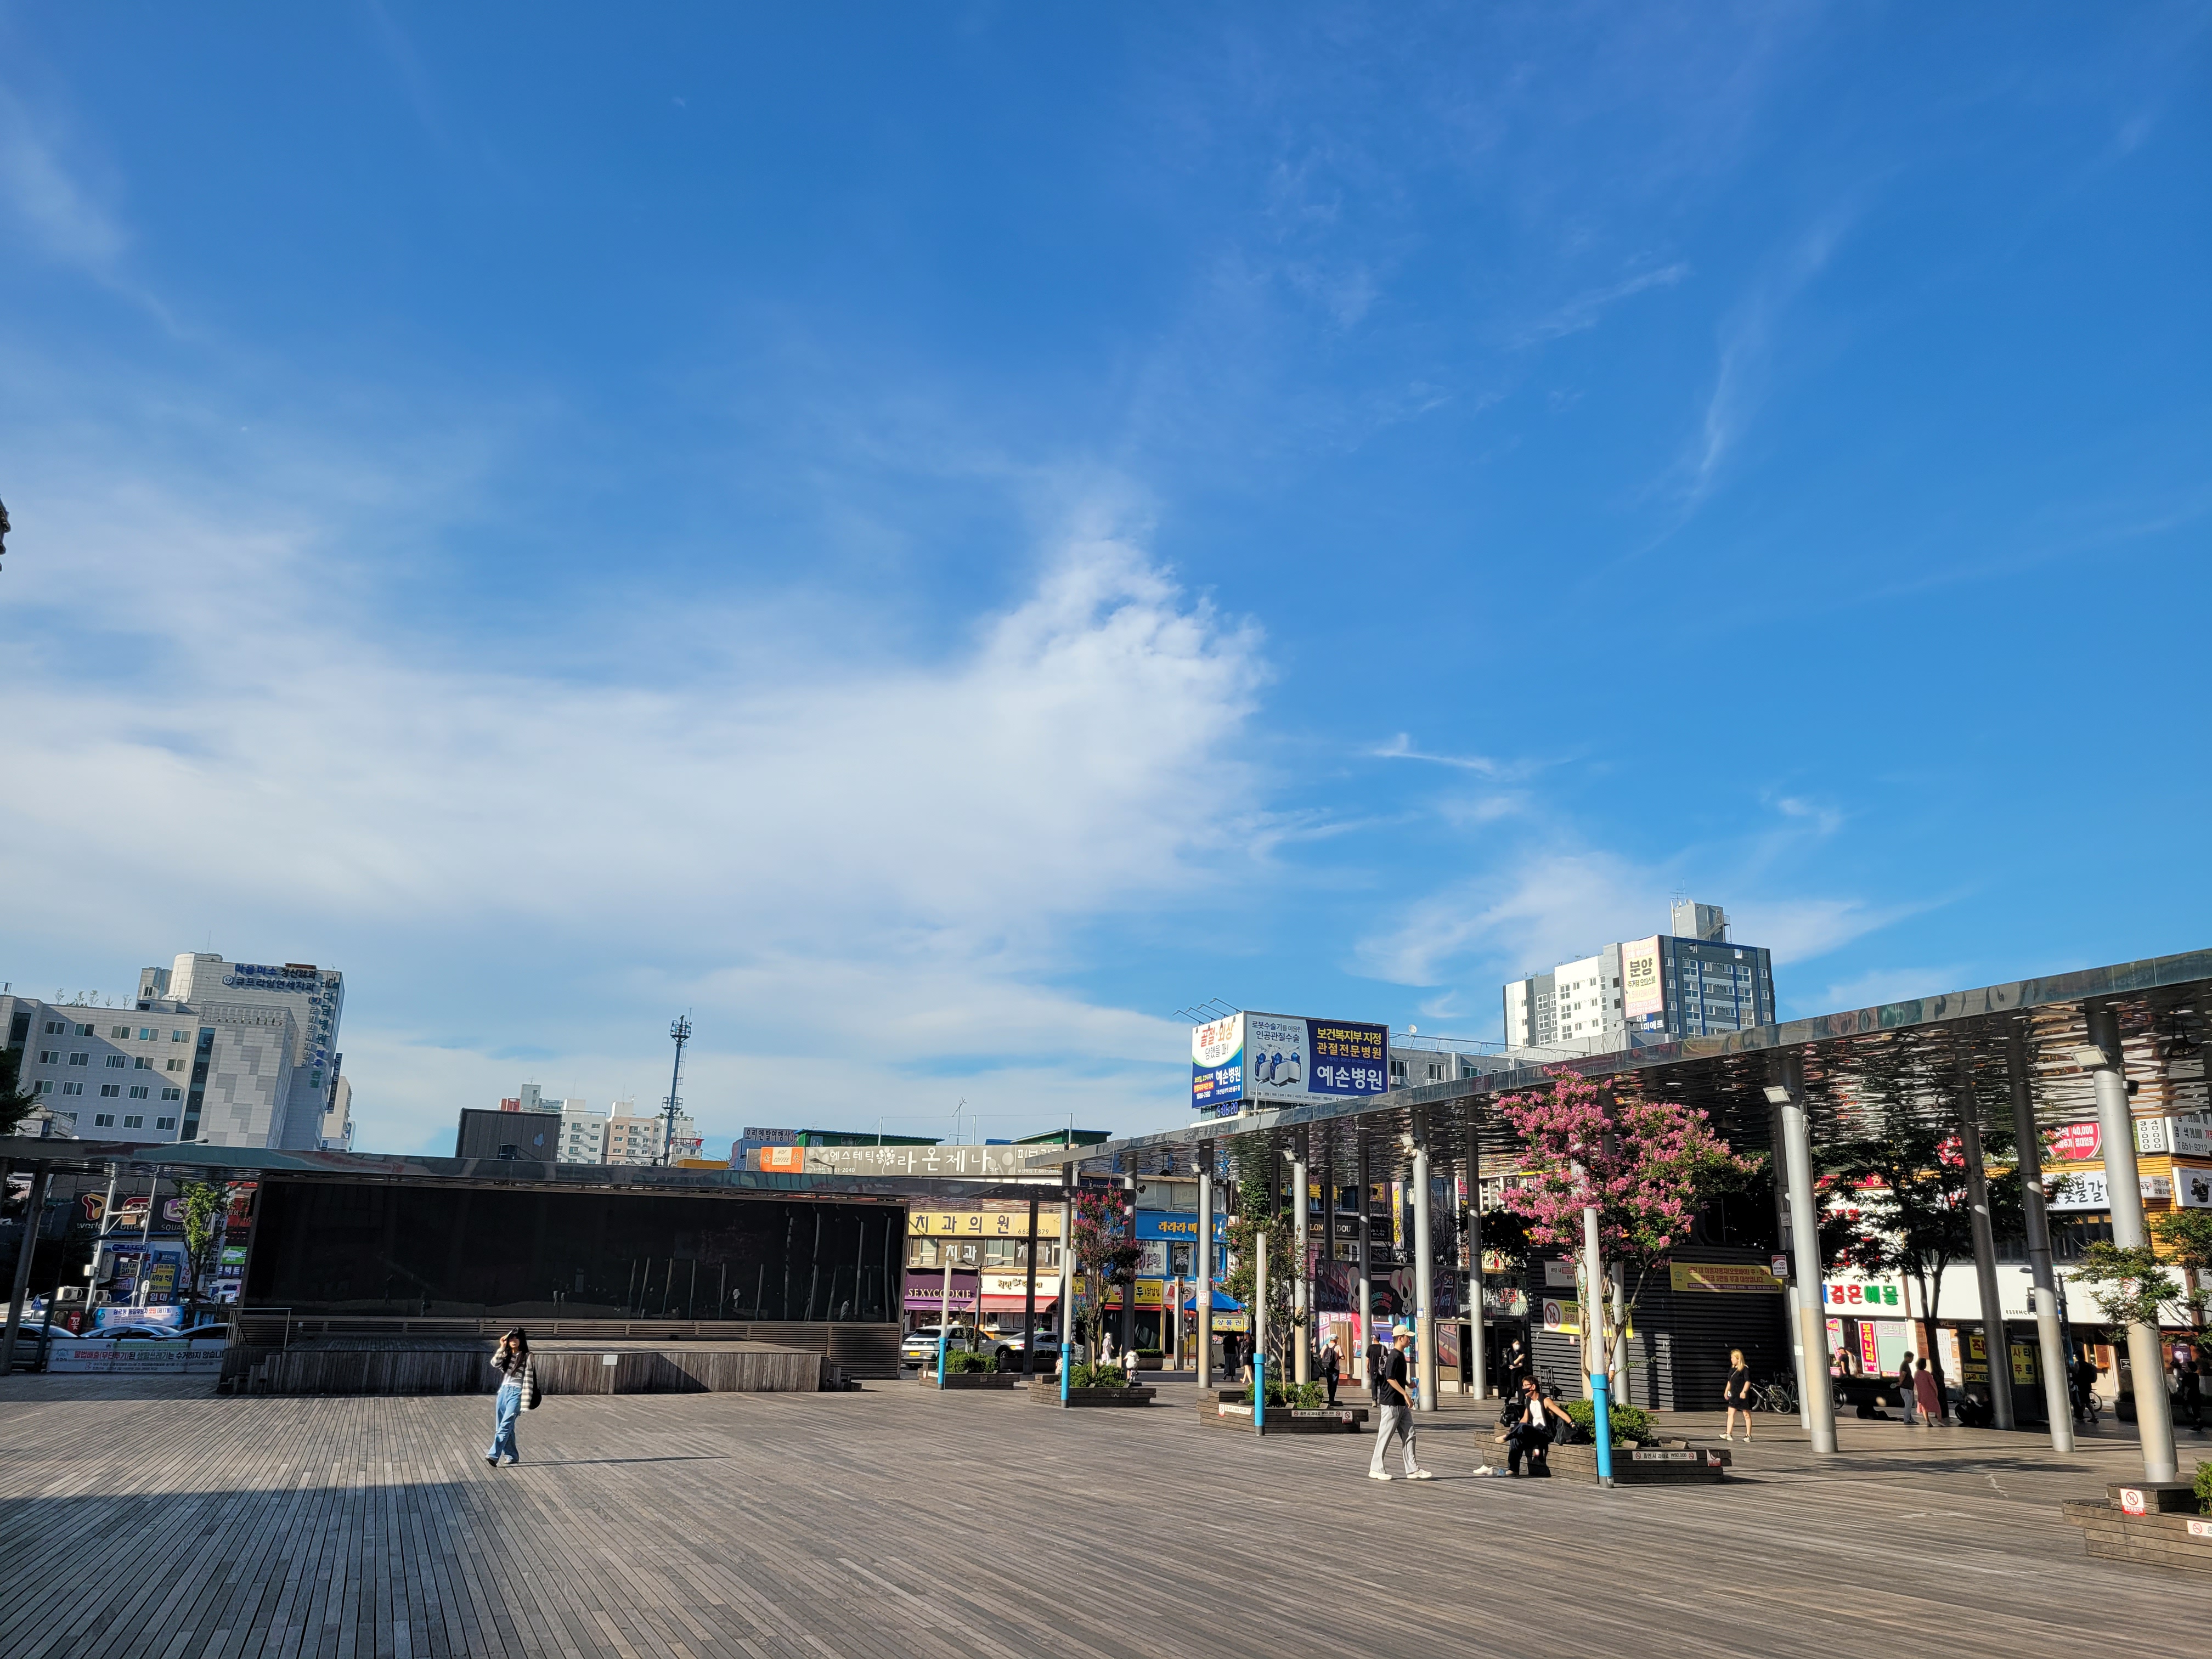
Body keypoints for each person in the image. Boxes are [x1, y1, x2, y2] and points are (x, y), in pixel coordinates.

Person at [1367, 1324, 1430, 1480]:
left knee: (1410, 1434)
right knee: (1385, 1436)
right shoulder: (1394, 1356)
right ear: (1400, 1339)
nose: (1410, 1340)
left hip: (1400, 1404)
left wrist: (1408, 1384)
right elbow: (1390, 1378)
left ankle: (1413, 1469)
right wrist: (1405, 1394)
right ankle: (1376, 1469)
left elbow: (1397, 1376)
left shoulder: (1400, 1355)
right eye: (1408, 1337)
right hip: (1391, 1403)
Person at [1496, 1373, 1571, 1477]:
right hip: (1533, 1433)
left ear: (1533, 1387)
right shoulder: (1529, 1401)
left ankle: (1508, 1436)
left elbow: (1560, 1413)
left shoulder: (1545, 1400)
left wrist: (1571, 1423)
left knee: (1524, 1428)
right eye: (1523, 1386)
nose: (1523, 1388)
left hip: (1544, 1434)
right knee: (1516, 1439)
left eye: (1526, 1385)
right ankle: (1513, 1470)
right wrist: (1517, 1430)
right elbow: (1525, 1419)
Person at [485, 1327, 535, 1467]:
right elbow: (494, 1364)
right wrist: (502, 1347)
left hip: (517, 1392)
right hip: (503, 1392)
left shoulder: (528, 1356)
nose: (514, 1340)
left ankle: (493, 1455)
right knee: (505, 1426)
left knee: (505, 1425)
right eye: (511, 1338)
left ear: (521, 1340)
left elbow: (530, 1380)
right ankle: (512, 1456)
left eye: (517, 1338)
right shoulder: (506, 1355)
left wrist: (526, 1401)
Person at [1721, 1348, 1754, 1441]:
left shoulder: (1744, 1369)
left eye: (1733, 1358)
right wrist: (1727, 1390)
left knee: (1746, 1414)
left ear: (1738, 1359)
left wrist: (1744, 1392)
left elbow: (1748, 1381)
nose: (1731, 1359)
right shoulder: (1733, 1369)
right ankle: (1728, 1433)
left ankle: (1748, 1435)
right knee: (1730, 1413)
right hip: (1734, 1394)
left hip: (1742, 1394)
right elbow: (1730, 1381)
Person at [2174, 1347, 2203, 1434]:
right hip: (2196, 1394)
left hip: (2190, 1394)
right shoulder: (2196, 1376)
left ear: (2190, 1368)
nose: (2185, 1367)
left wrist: (2185, 1395)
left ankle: (2199, 1422)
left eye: (2187, 1366)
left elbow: (2187, 1386)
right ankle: (2198, 1422)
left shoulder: (2188, 1376)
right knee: (2196, 1409)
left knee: (2189, 1410)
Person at [1912, 1353, 1943, 1427]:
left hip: (1921, 1393)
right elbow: (1933, 1383)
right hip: (1930, 1393)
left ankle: (1928, 1421)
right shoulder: (1927, 1374)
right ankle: (1939, 1421)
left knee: (1924, 1407)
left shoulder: (1916, 1373)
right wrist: (1936, 1392)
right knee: (1937, 1407)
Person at [1321, 1336, 1342, 1407]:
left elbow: (1321, 1356)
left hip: (1327, 1367)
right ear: (1336, 1339)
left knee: (1329, 1383)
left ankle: (1330, 1397)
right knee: (1334, 1384)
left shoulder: (1325, 1346)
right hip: (1336, 1368)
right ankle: (1332, 1398)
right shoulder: (1338, 1347)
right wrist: (1338, 1357)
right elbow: (1343, 1357)